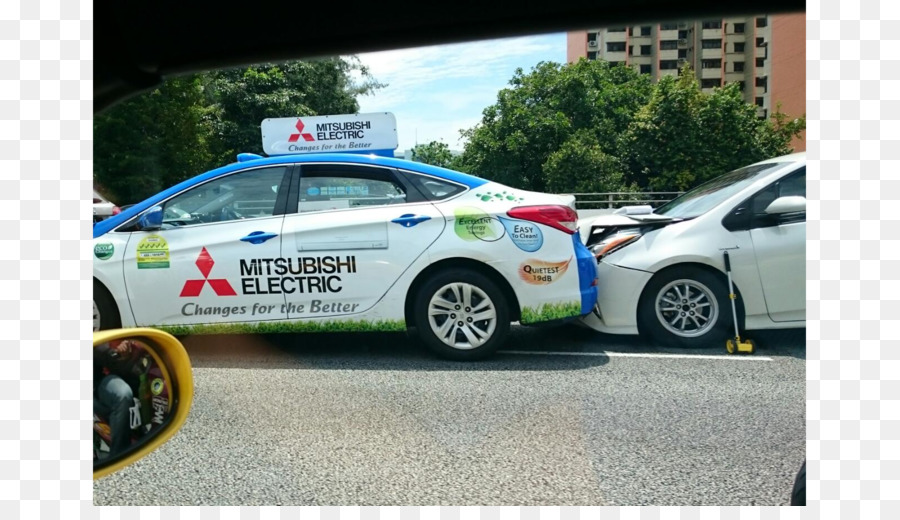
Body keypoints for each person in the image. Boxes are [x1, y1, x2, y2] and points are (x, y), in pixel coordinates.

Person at [93, 339, 148, 456]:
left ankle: (120, 452)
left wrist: (122, 352)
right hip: (95, 382)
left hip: (102, 381)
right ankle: (117, 456)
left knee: (127, 392)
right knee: (122, 394)